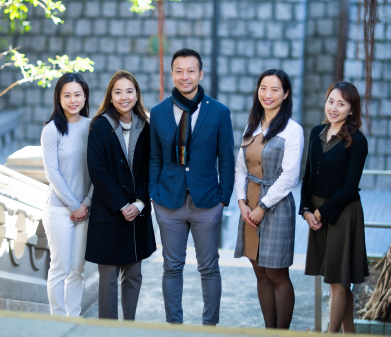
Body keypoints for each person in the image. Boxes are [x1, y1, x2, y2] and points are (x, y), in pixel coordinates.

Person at [149, 48, 235, 325]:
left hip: (207, 202)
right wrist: (154, 193)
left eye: (190, 71)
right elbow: (154, 157)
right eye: (179, 71)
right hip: (168, 201)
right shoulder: (159, 112)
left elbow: (227, 158)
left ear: (200, 73)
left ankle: (210, 327)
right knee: (171, 268)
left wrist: (224, 198)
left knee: (209, 268)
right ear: (172, 74)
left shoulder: (219, 112)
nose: (185, 76)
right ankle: (174, 326)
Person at [234, 69, 304, 329]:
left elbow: (290, 177)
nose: (268, 94)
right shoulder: (252, 124)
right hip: (249, 204)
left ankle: (282, 333)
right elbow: (240, 168)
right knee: (259, 272)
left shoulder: (292, 130)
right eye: (263, 88)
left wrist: (262, 206)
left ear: (286, 94)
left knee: (276, 273)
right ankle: (269, 331)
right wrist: (242, 202)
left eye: (275, 89)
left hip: (275, 206)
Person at [85, 70, 156, 320]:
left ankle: (129, 326)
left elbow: (151, 168)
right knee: (108, 278)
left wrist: (138, 203)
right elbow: (98, 171)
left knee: (134, 274)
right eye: (118, 92)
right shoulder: (100, 126)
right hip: (109, 212)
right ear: (111, 97)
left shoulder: (147, 126)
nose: (124, 97)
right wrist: (122, 204)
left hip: (137, 213)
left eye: (129, 91)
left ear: (137, 95)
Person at [300, 81, 369, 334]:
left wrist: (321, 212)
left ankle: (331, 334)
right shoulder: (317, 132)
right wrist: (307, 210)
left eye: (341, 103)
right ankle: (349, 334)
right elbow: (307, 176)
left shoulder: (357, 141)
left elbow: (350, 188)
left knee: (339, 281)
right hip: (316, 210)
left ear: (351, 109)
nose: (334, 107)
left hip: (343, 212)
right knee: (336, 280)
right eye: (331, 101)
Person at [40, 72, 93, 316]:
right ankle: (58, 321)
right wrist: (74, 206)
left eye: (77, 95)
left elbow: (98, 170)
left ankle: (74, 319)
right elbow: (53, 174)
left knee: (77, 269)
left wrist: (86, 203)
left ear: (85, 96)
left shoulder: (92, 127)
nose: (73, 100)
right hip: (60, 210)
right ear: (59, 99)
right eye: (67, 95)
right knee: (59, 268)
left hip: (85, 208)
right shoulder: (51, 130)